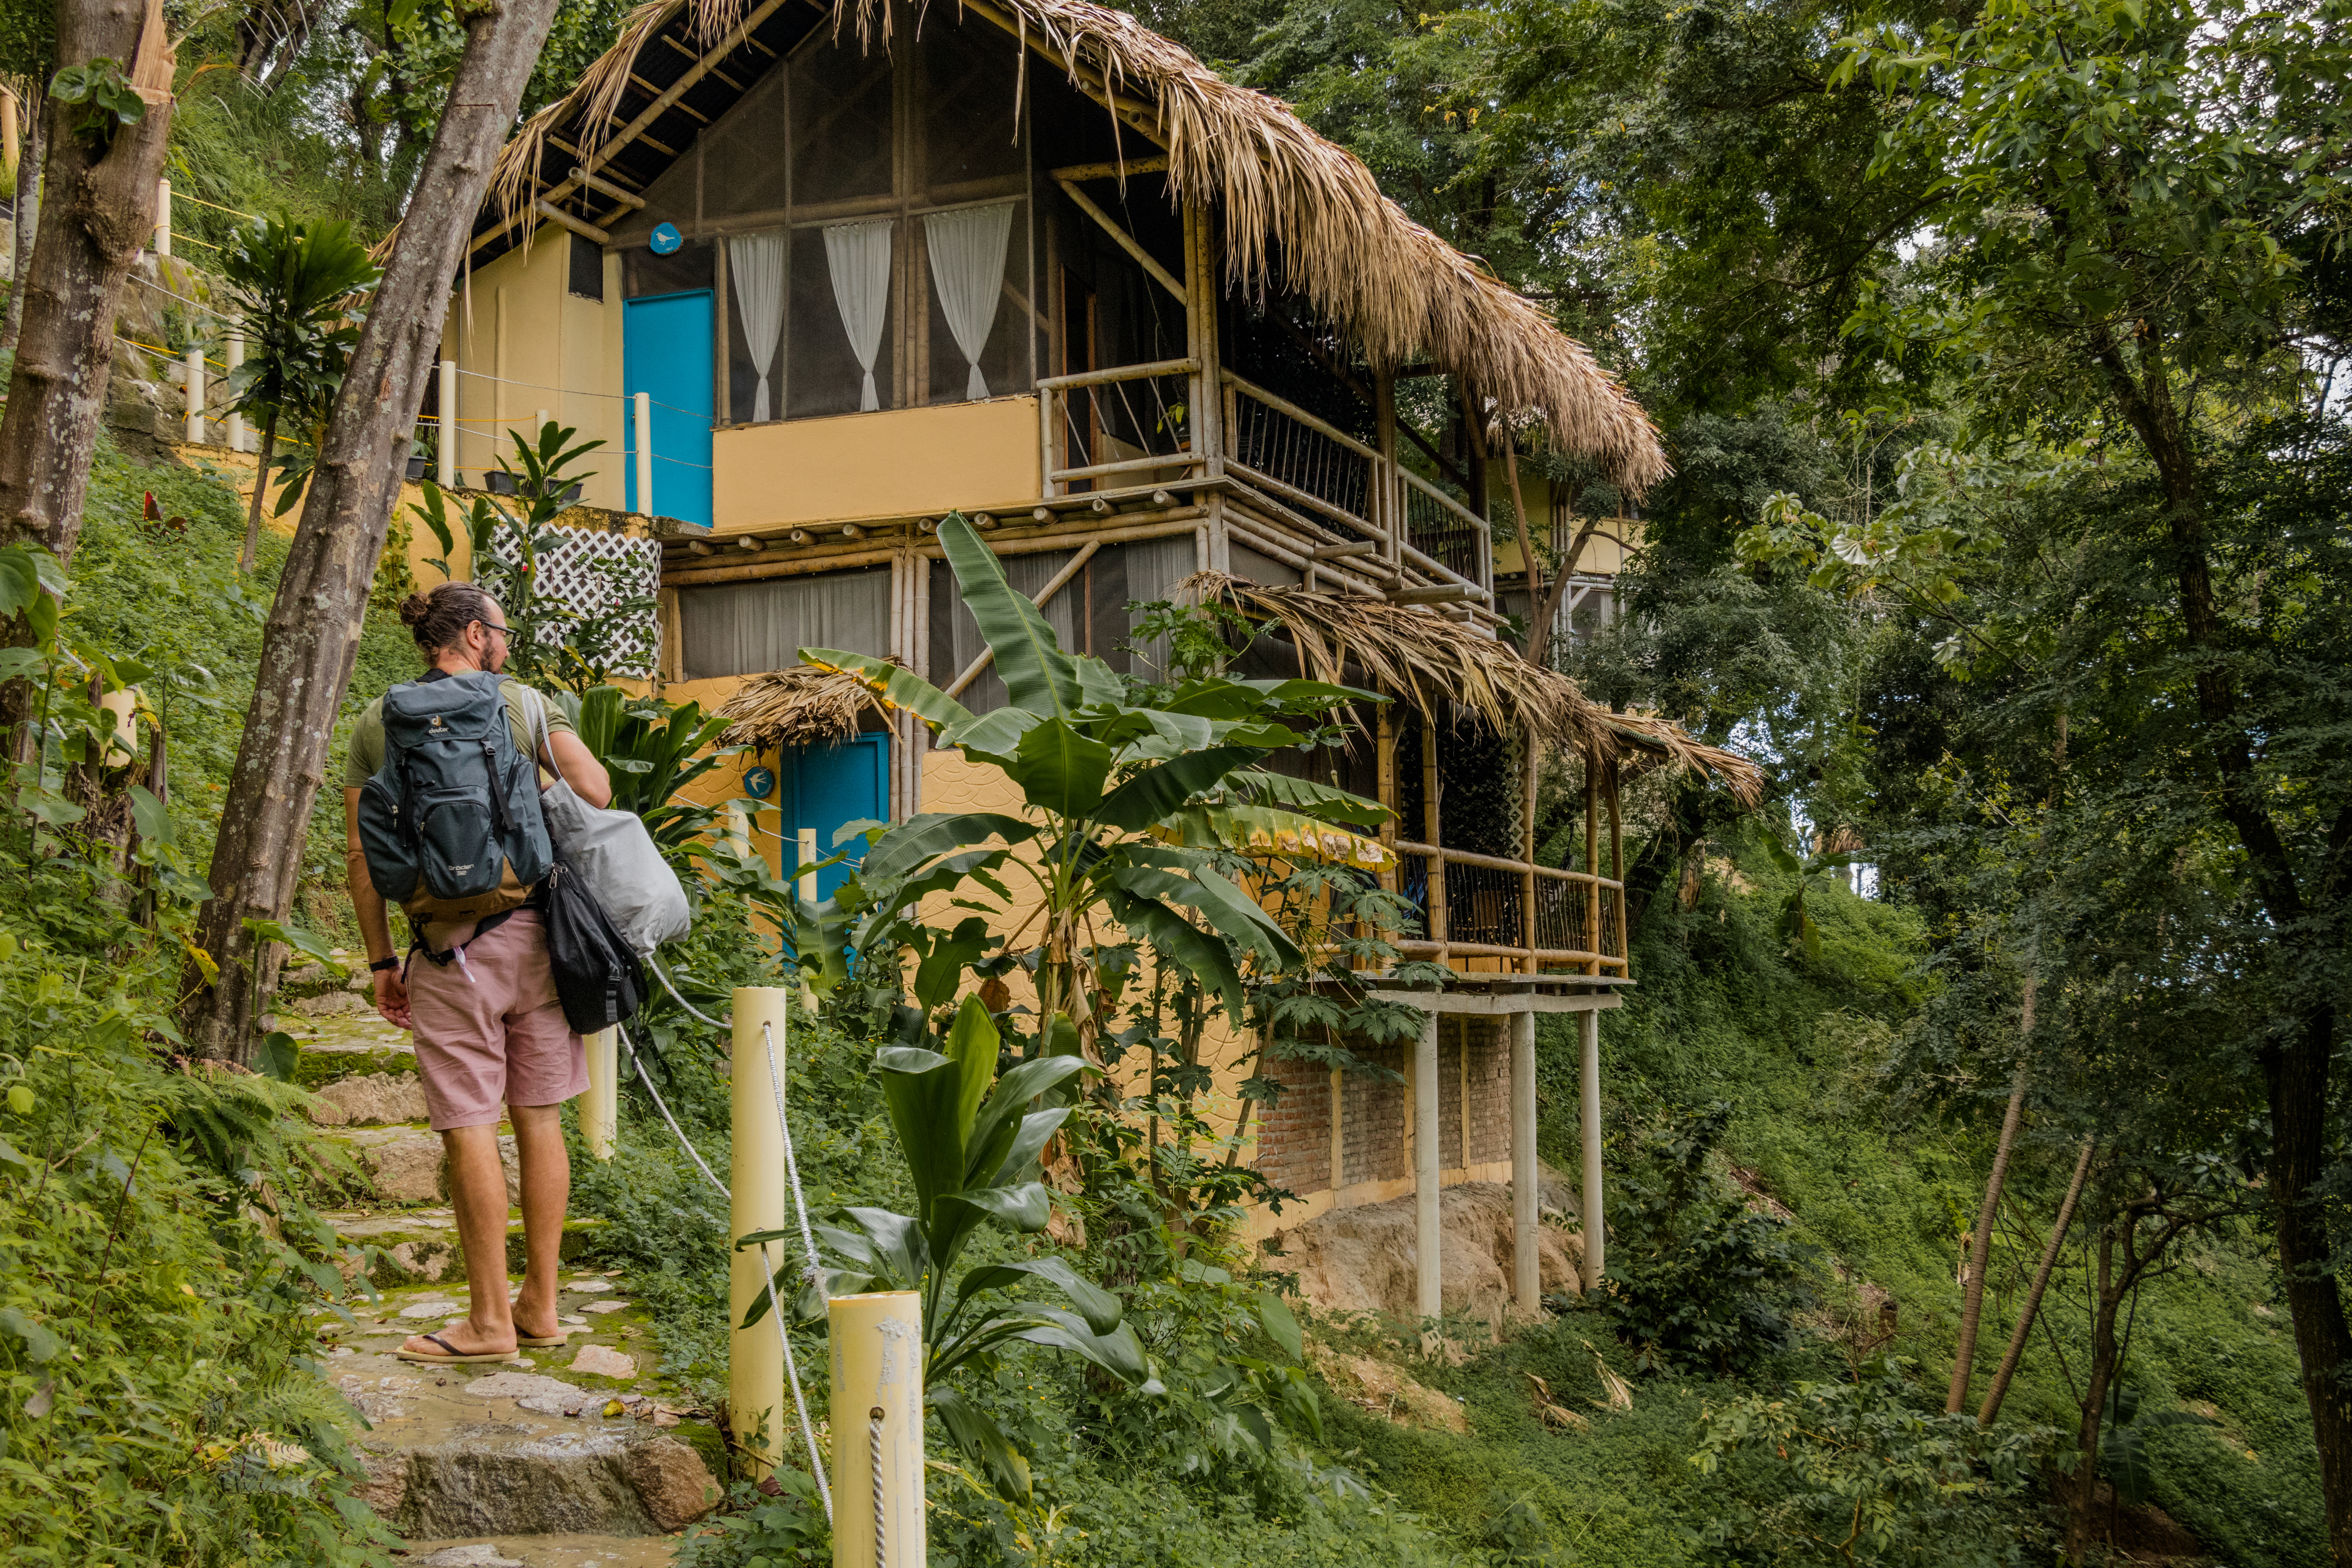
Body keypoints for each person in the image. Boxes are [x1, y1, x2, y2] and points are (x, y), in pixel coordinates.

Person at [344, 582, 612, 1363]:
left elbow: (363, 856)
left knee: (469, 1125)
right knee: (539, 1116)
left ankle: (489, 1319)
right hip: (536, 937)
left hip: (447, 948)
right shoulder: (525, 705)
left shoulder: (379, 719)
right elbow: (597, 791)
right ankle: (541, 1306)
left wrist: (381, 959)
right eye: (501, 628)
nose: (507, 641)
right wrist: (532, 786)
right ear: (471, 634)